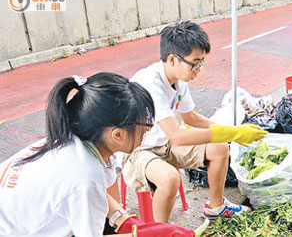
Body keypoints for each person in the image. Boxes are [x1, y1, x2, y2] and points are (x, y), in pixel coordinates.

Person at [0, 73, 194, 237]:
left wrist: (124, 220)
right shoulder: (84, 174)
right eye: (144, 127)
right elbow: (87, 201)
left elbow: (94, 196)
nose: (147, 132)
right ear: (117, 134)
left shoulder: (76, 140)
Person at [123, 20, 268, 223]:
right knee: (169, 178)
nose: (199, 69)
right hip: (138, 151)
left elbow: (191, 117)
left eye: (202, 62)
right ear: (173, 59)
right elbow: (178, 136)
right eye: (195, 63)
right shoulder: (149, 83)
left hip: (165, 144)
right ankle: (159, 231)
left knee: (220, 149)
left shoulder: (178, 81)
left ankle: (216, 207)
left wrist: (231, 130)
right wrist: (233, 134)